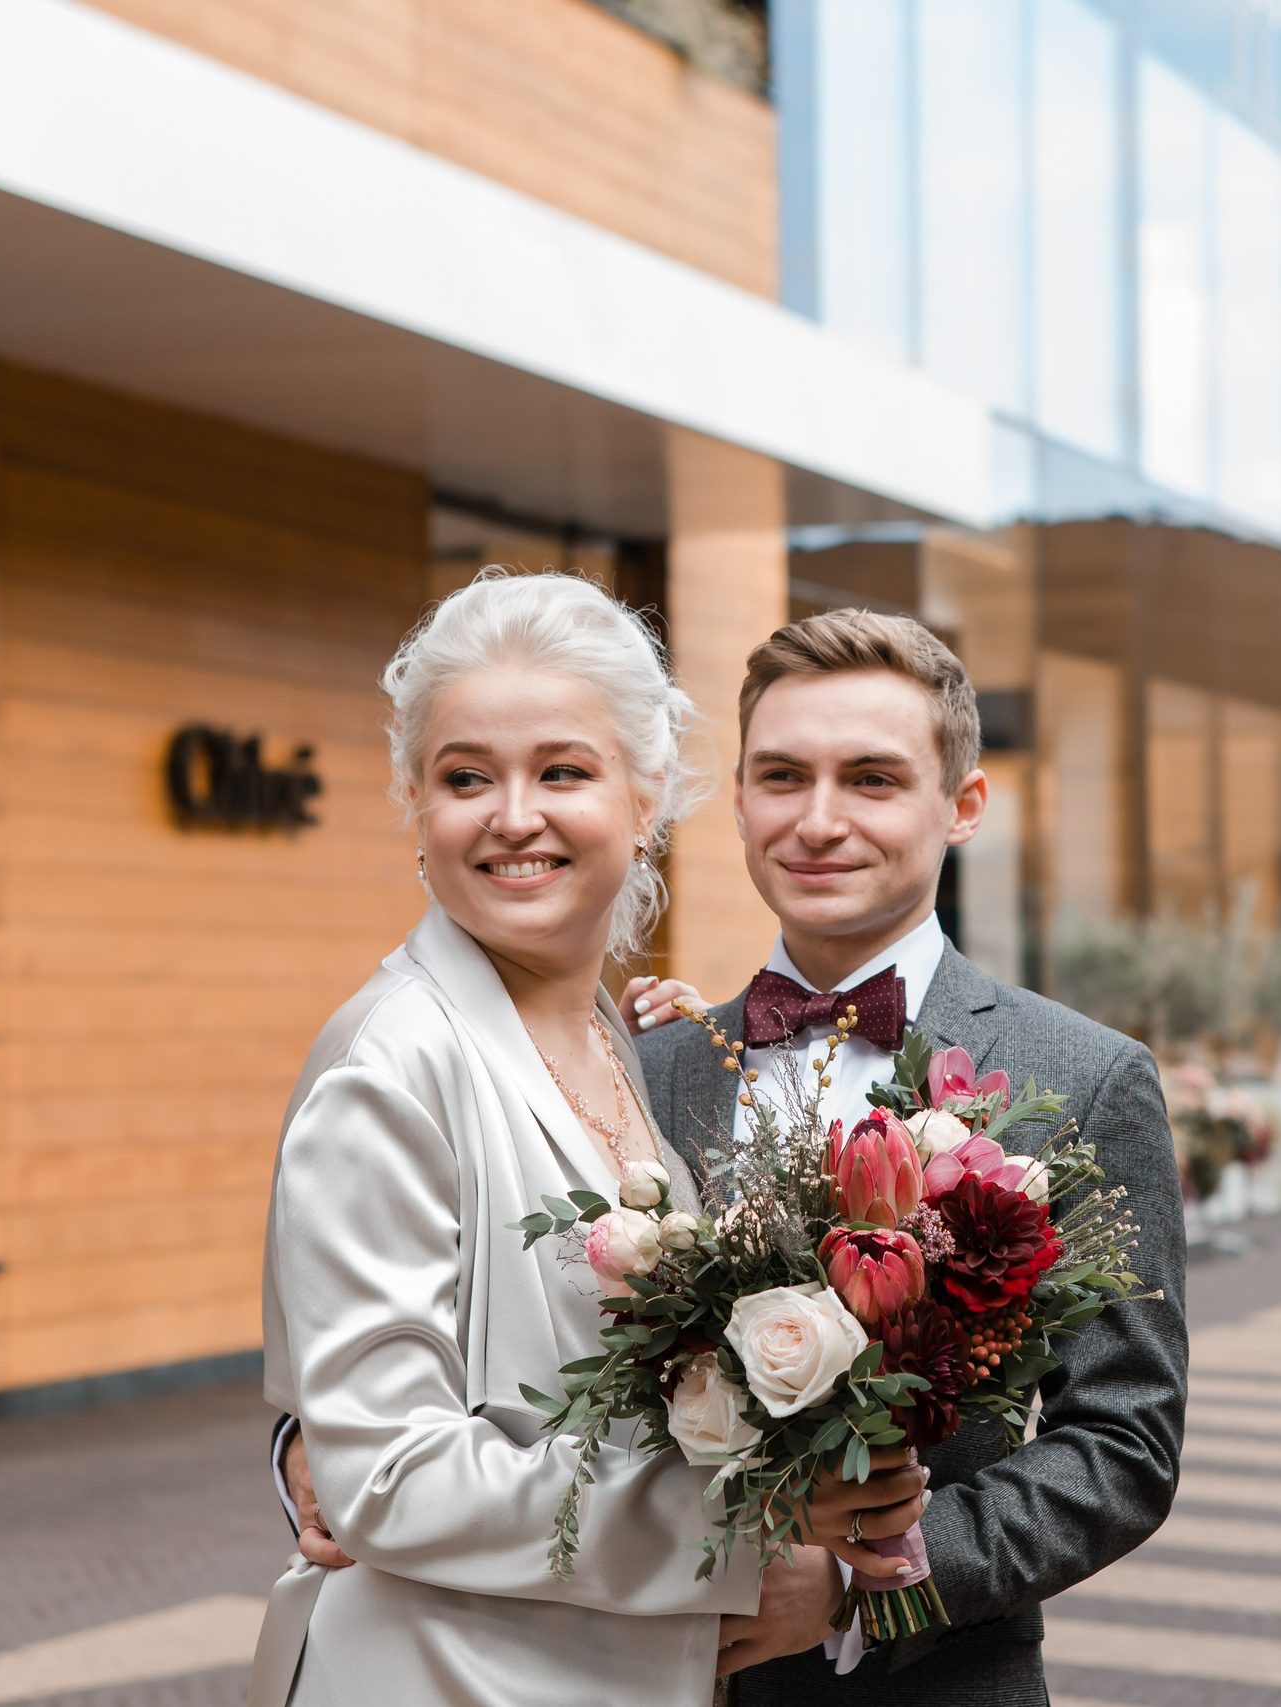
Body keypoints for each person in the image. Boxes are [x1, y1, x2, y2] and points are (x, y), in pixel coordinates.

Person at [250, 573, 922, 1707]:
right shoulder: (392, 1061)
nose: (513, 815)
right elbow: (386, 1474)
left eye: (561, 770)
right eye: (467, 777)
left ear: (646, 793)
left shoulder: (615, 1034)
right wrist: (748, 1516)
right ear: (417, 803)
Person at [642, 611, 1189, 1702]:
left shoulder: (1084, 1077)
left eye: (873, 780)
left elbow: (1122, 1445)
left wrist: (864, 1584)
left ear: (963, 805)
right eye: (782, 776)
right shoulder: (647, 1066)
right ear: (739, 798)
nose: (818, 821)